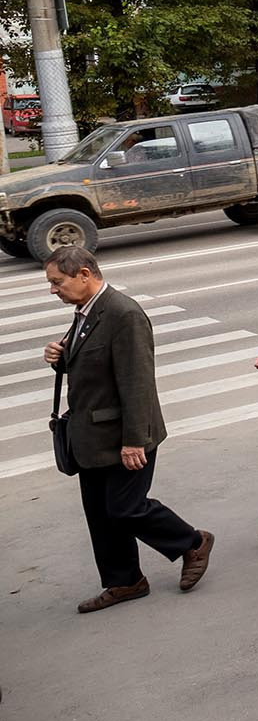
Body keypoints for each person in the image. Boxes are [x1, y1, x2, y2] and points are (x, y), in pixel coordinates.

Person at [45, 247, 214, 614]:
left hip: (124, 434)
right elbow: (90, 366)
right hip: (90, 435)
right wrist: (61, 357)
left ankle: (192, 542)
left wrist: (134, 440)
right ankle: (124, 581)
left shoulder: (124, 314)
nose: (53, 290)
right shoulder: (86, 312)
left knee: (125, 507)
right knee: (100, 512)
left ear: (85, 274)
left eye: (57, 282)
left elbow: (137, 382)